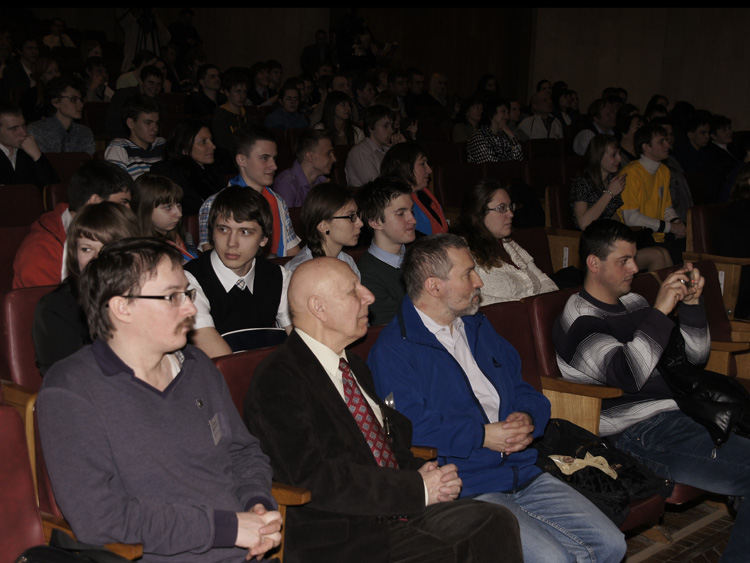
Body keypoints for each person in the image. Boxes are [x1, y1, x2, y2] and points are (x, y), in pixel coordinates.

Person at [245, 256, 524, 563]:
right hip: (339, 530)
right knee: (445, 550)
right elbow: (313, 477)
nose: (369, 296)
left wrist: (424, 472)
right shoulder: (278, 379)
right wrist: (415, 488)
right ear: (318, 308)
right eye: (353, 291)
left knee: (494, 521)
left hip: (393, 511)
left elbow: (385, 444)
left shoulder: (353, 366)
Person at [368, 233, 626, 563]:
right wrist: (482, 436)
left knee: (611, 544)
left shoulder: (477, 326)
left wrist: (527, 418)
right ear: (434, 286)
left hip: (522, 470)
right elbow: (408, 428)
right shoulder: (395, 350)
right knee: (554, 559)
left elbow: (523, 389)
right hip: (467, 485)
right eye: (468, 274)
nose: (479, 281)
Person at [37, 237, 282, 562]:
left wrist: (256, 504)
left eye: (187, 294)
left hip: (246, 548)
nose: (191, 308)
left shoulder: (196, 366)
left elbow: (243, 453)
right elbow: (99, 517)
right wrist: (226, 528)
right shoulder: (72, 390)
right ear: (122, 307)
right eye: (172, 297)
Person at [553, 219, 750, 563]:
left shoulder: (634, 303)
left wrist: (691, 306)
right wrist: (659, 311)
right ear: (594, 263)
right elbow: (629, 375)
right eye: (624, 261)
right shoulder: (579, 321)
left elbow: (693, 359)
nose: (634, 268)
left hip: (684, 414)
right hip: (640, 435)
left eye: (634, 258)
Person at [33, 201, 141, 376]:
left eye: (108, 248)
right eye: (86, 249)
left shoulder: (150, 295)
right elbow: (66, 377)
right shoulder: (57, 307)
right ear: (74, 253)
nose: (97, 258)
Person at [185, 186, 291, 357]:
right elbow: (222, 361)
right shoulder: (188, 280)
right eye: (223, 229)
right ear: (212, 233)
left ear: (264, 239)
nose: (231, 243)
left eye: (245, 232)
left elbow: (300, 343)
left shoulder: (278, 276)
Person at [13, 160, 133, 289]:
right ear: (95, 202)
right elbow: (46, 300)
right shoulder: (41, 247)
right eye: (122, 203)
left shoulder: (116, 233)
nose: (129, 210)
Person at [570, 134, 672, 272]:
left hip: (610, 243)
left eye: (619, 154)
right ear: (598, 156)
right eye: (614, 155)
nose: (619, 159)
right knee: (657, 255)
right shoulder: (582, 183)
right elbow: (584, 223)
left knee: (663, 252)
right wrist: (610, 193)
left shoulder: (611, 181)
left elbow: (614, 218)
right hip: (594, 247)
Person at [198, 126, 301, 257]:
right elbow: (211, 259)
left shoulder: (278, 201)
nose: (274, 166)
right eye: (264, 158)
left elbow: (292, 253)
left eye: (274, 159)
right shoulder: (213, 204)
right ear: (241, 160)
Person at [452, 179, 557, 304]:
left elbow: (545, 281)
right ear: (479, 212)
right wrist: (528, 306)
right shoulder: (460, 252)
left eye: (510, 207)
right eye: (502, 208)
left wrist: (543, 304)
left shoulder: (509, 244)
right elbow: (471, 299)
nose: (511, 214)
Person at [618, 123, 685, 264]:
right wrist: (671, 227)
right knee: (665, 253)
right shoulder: (631, 173)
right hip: (634, 237)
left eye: (666, 140)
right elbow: (631, 218)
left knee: (684, 246)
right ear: (646, 147)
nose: (668, 145)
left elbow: (666, 207)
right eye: (661, 142)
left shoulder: (663, 170)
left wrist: (676, 222)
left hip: (657, 234)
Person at [356, 176, 417, 325]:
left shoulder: (420, 254)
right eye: (401, 213)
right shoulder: (367, 275)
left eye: (411, 211)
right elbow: (398, 327)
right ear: (375, 222)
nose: (413, 220)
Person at [284, 183, 363, 277]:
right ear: (323, 225)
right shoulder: (299, 272)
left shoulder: (347, 261)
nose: (360, 223)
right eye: (350, 216)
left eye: (357, 215)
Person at [150, 118, 224, 215]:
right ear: (183, 148)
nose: (213, 146)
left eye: (211, 140)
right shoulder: (167, 172)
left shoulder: (214, 171)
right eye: (203, 141)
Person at [380, 142, 448, 237]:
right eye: (422, 164)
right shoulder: (393, 202)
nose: (429, 170)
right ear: (405, 167)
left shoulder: (423, 195)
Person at [132, 173, 198, 261]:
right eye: (168, 207)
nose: (179, 214)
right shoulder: (142, 253)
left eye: (178, 204)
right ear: (145, 210)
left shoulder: (180, 236)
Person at [28, 75, 95, 155]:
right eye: (73, 99)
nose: (81, 105)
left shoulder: (85, 132)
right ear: (56, 102)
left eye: (81, 100)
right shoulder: (37, 131)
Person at [104, 94, 165, 179]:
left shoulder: (162, 144)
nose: (155, 129)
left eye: (157, 123)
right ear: (131, 123)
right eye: (148, 123)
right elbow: (115, 184)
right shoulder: (120, 147)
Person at [0, 100, 58, 188]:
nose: (23, 133)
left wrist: (38, 157)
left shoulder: (28, 151)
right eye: (14, 128)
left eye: (24, 125)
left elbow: (54, 189)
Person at [272, 129, 334, 208]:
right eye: (328, 154)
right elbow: (288, 216)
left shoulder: (323, 182)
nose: (334, 159)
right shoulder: (286, 184)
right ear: (310, 156)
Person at [105, 64, 163, 139]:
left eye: (158, 84)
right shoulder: (122, 96)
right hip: (123, 139)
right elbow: (111, 124)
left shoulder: (159, 102)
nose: (155, 87)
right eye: (151, 83)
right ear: (141, 81)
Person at [345, 104, 393, 187]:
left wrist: (401, 149)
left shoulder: (388, 149)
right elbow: (374, 185)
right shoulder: (360, 151)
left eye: (391, 126)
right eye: (385, 126)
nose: (391, 131)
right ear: (371, 128)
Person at [467, 97, 523, 163]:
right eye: (503, 111)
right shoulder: (479, 137)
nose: (507, 116)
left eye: (508, 113)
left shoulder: (504, 135)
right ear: (492, 112)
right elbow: (491, 165)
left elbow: (520, 159)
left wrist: (512, 136)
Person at [210, 70, 251, 159]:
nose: (242, 96)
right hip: (228, 160)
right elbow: (224, 145)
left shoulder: (248, 117)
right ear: (227, 92)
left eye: (244, 92)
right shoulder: (220, 117)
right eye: (238, 91)